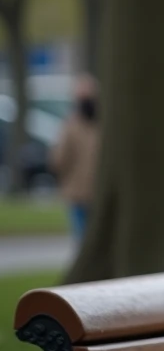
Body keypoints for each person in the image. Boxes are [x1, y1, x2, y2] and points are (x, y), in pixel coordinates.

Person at [50, 74, 100, 243]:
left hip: (78, 191)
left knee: (82, 239)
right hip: (95, 191)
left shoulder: (71, 125)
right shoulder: (104, 122)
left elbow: (58, 159)